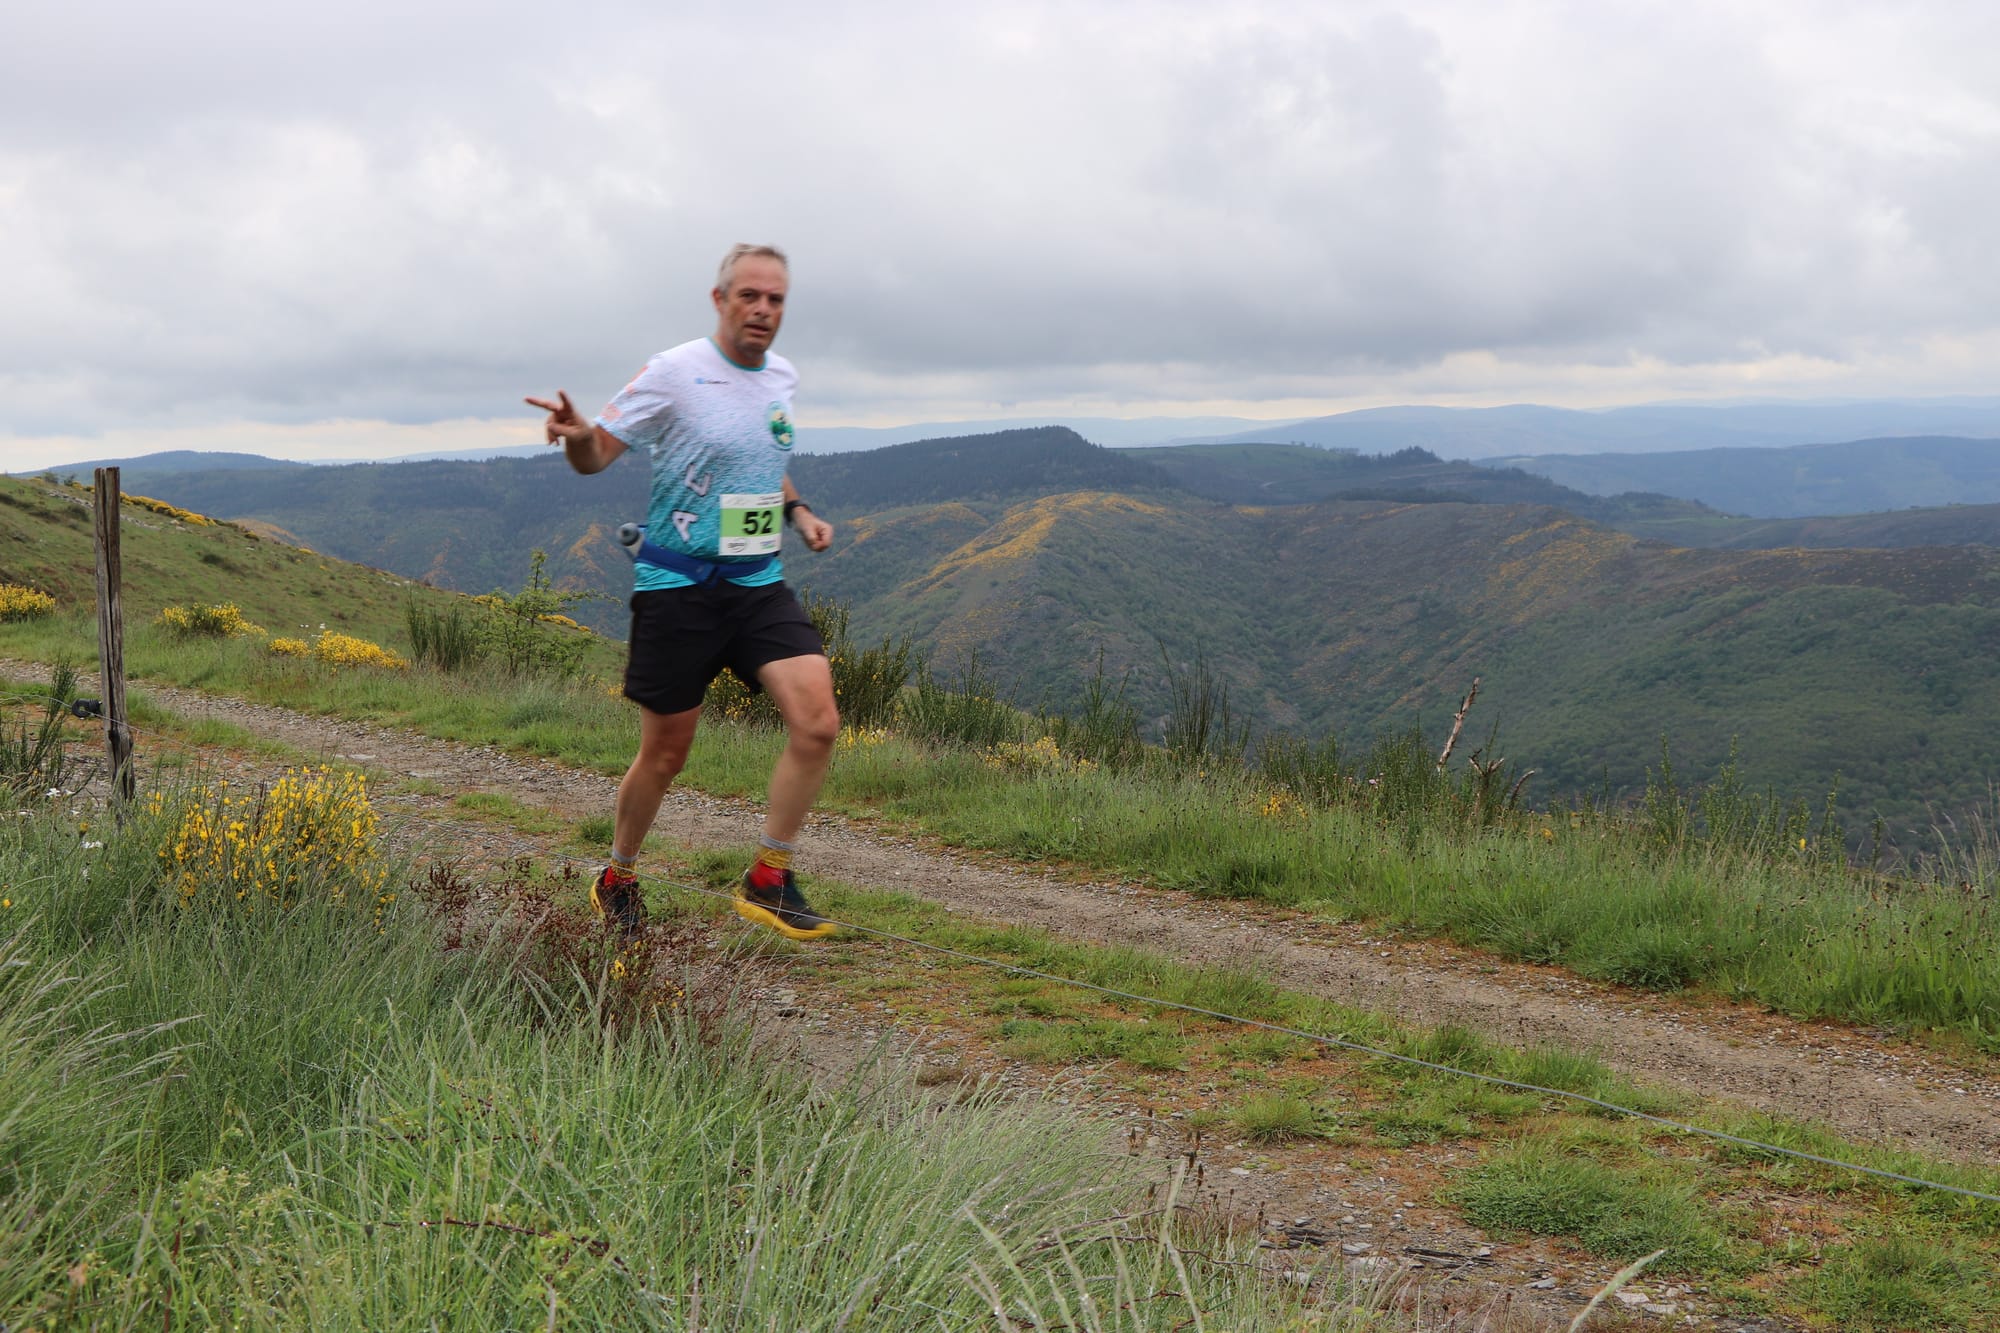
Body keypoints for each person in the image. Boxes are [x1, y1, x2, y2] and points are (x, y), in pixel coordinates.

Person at [526, 243, 840, 941]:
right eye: (749, 295)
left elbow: (763, 457)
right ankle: (617, 876)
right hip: (679, 587)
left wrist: (798, 511)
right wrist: (576, 435)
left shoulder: (781, 375)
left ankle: (768, 876)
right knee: (666, 754)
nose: (762, 309)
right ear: (719, 299)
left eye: (776, 299)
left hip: (757, 585)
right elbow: (597, 455)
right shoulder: (674, 371)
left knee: (818, 722)